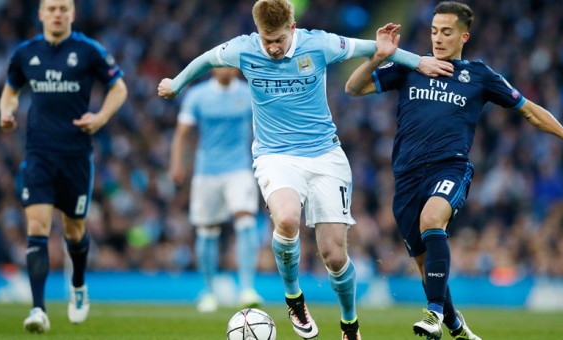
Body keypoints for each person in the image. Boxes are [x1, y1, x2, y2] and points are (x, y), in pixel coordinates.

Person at [158, 1, 453, 338]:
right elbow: (206, 59)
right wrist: (177, 83)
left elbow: (374, 47)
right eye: (266, 39)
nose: (271, 47)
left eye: (278, 40)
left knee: (334, 256)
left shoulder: (320, 44)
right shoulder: (244, 48)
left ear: (293, 28)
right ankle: (294, 298)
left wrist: (420, 61)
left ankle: (349, 323)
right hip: (275, 156)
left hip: (326, 157)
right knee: (285, 219)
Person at [345, 2, 563, 339]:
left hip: (450, 168)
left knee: (433, 220)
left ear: (464, 35)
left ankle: (432, 315)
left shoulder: (479, 76)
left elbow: (528, 110)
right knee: (425, 266)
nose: (438, 38)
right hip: (405, 178)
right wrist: (379, 56)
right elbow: (354, 88)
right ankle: (456, 326)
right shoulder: (411, 66)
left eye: (446, 32)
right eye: (433, 31)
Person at [0, 0, 127, 333]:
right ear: (41, 14)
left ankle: (79, 285)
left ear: (72, 14)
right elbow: (10, 91)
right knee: (37, 227)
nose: (57, 14)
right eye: (51, 8)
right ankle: (38, 309)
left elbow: (119, 87)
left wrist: (100, 117)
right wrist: (6, 111)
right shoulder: (25, 53)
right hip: (39, 154)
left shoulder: (88, 51)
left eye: (63, 8)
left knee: (74, 231)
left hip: (75, 156)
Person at [169, 67, 263, 313]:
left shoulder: (248, 93)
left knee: (245, 218)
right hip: (207, 170)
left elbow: (265, 125)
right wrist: (178, 163)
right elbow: (183, 133)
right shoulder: (197, 96)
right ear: (213, 68)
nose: (227, 69)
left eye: (232, 64)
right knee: (207, 230)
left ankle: (247, 288)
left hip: (239, 167)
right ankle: (208, 292)